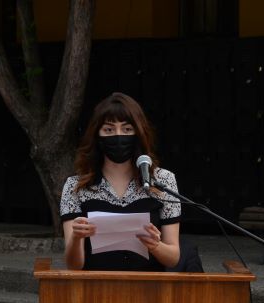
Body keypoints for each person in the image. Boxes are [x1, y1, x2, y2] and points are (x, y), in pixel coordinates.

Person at [60, 92, 181, 271]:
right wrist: (76, 238)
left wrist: (156, 245)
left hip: (149, 285)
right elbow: (73, 265)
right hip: (95, 285)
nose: (118, 136)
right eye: (109, 130)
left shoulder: (163, 180)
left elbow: (173, 259)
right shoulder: (75, 186)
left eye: (127, 129)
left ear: (138, 133)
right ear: (97, 135)